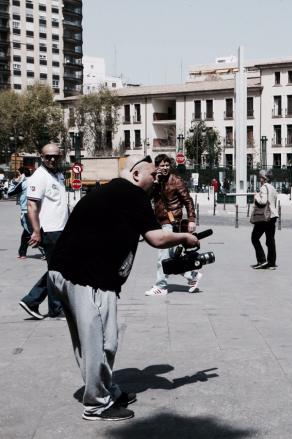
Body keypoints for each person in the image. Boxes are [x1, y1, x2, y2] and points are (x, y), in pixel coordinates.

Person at [48, 155, 199, 421]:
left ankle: (107, 390)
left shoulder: (111, 191)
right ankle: (97, 405)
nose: (157, 179)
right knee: (102, 343)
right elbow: (156, 237)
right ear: (136, 174)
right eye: (154, 175)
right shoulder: (132, 194)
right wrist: (185, 237)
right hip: (87, 278)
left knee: (93, 341)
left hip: (66, 272)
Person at [18, 144, 68, 320]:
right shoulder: (39, 177)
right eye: (48, 156)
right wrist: (36, 231)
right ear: (41, 157)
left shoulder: (58, 174)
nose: (52, 159)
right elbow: (31, 206)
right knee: (57, 270)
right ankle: (53, 308)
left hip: (61, 229)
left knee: (59, 269)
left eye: (55, 156)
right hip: (50, 230)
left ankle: (32, 300)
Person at [144, 154, 201, 296]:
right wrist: (155, 183)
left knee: (162, 257)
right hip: (160, 223)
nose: (164, 168)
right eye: (161, 165)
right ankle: (192, 275)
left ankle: (161, 286)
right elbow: (146, 198)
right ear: (157, 167)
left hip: (172, 223)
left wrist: (192, 219)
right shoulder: (156, 181)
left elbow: (188, 201)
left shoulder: (175, 180)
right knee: (171, 260)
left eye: (167, 165)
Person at [251, 169, 279, 270]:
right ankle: (271, 263)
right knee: (270, 240)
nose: (260, 179)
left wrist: (256, 196)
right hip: (273, 216)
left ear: (264, 178)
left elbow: (263, 202)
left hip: (265, 217)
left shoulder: (264, 187)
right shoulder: (273, 188)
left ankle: (261, 260)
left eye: (261, 177)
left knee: (254, 238)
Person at [8, 167, 35, 259]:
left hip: (26, 211)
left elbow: (10, 193)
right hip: (37, 210)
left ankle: (46, 252)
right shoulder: (35, 181)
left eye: (18, 174)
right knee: (26, 232)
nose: (18, 176)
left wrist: (14, 182)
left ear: (22, 174)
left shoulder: (23, 183)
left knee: (31, 231)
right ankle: (22, 253)